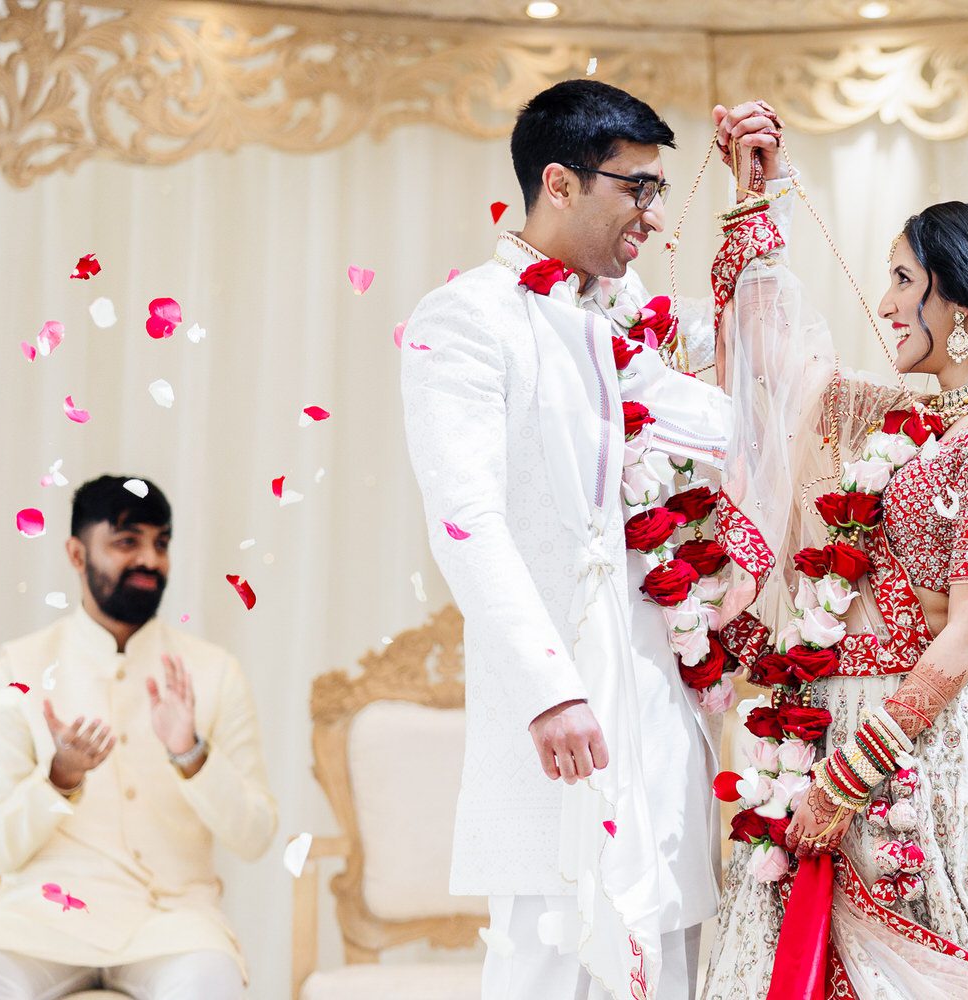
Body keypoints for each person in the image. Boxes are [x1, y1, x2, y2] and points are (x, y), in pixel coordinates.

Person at [399, 81, 791, 1000]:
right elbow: (467, 523)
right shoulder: (464, 319)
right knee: (555, 951)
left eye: (659, 190)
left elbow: (742, 412)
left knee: (670, 946)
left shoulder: (622, 313)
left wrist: (754, 199)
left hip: (660, 690)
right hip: (563, 706)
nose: (654, 215)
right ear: (560, 184)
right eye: (636, 189)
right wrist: (550, 692)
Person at [701, 116, 968, 997]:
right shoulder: (904, 417)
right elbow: (777, 365)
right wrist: (755, 196)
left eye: (903, 279)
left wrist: (850, 773)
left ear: (957, 301)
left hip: (904, 747)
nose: (883, 302)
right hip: (824, 720)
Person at [0, 475, 277, 999]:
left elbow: (255, 836)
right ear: (77, 554)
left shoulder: (214, 672)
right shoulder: (20, 667)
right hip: (40, 918)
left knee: (212, 983)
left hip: (172, 922)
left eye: (160, 543)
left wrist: (190, 754)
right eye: (127, 542)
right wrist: (59, 777)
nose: (150, 560)